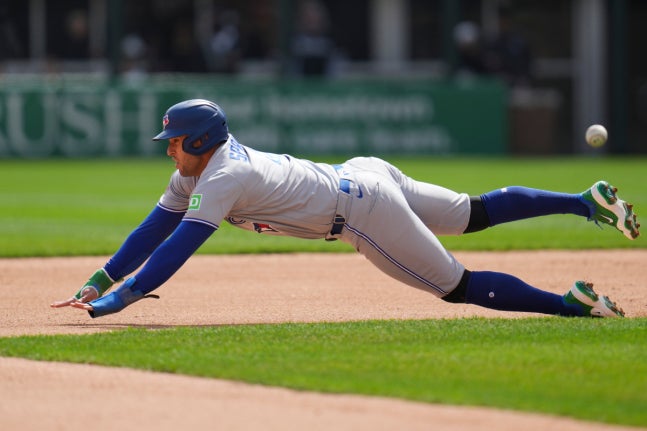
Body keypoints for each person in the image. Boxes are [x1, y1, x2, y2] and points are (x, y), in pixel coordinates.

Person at [51, 99, 640, 318]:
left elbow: (179, 245)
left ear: (200, 142)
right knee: (475, 213)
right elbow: (154, 228)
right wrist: (102, 277)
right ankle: (584, 203)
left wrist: (123, 298)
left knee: (457, 287)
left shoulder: (224, 176)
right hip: (361, 173)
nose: (169, 150)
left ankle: (570, 306)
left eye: (175, 141)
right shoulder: (199, 170)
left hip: (361, 210)